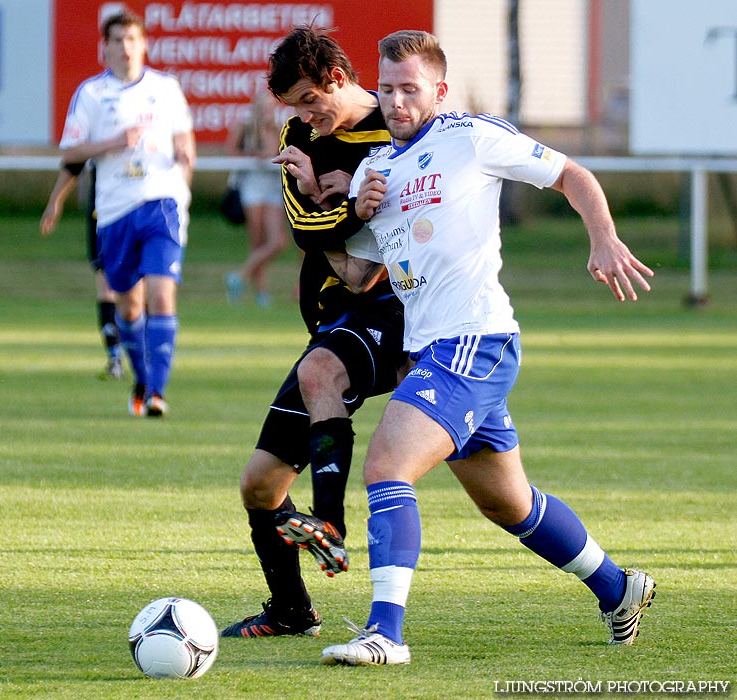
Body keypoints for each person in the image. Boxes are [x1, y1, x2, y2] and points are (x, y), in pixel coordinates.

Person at [318, 30, 657, 666]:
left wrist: (603, 238)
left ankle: (385, 633)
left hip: (475, 338)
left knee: (388, 465)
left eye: (409, 88)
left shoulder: (469, 137)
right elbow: (357, 276)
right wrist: (345, 212)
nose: (394, 101)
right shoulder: (374, 170)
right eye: (386, 88)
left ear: (438, 91)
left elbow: (571, 174)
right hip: (431, 351)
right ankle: (619, 587)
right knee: (508, 503)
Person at [219, 25, 407, 639]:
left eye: (308, 100)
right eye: (293, 107)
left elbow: (373, 262)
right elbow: (303, 226)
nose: (303, 118)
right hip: (331, 319)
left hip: (393, 309)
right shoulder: (299, 133)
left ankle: (330, 520)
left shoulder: (397, 126)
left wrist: (341, 208)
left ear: (335, 79)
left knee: (320, 371)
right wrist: (342, 203)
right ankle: (293, 609)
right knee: (260, 485)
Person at [59, 10, 195, 417]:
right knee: (129, 307)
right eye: (117, 40)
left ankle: (156, 392)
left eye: (132, 39)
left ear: (144, 44)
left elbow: (184, 137)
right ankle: (142, 378)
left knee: (161, 293)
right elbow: (70, 153)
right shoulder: (91, 94)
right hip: (115, 211)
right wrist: (111, 142)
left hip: (162, 203)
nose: (126, 47)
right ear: (106, 48)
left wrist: (186, 161)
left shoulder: (166, 88)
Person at [41, 162, 124, 380]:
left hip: (141, 209)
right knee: (106, 286)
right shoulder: (97, 131)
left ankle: (142, 361)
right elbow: (75, 160)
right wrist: (55, 201)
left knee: (140, 288)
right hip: (104, 211)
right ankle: (116, 358)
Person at [223, 89, 291, 308]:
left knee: (277, 241)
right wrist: (253, 156)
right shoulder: (245, 126)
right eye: (263, 105)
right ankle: (261, 292)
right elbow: (231, 153)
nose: (267, 110)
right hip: (252, 188)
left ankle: (239, 276)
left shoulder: (279, 129)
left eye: (271, 106)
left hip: (272, 187)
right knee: (257, 241)